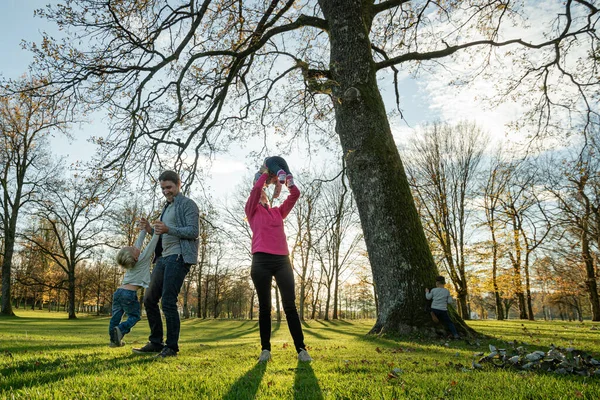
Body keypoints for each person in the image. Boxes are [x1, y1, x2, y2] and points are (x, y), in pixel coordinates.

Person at [245, 157, 312, 363]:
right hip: (261, 262)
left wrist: (288, 183)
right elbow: (256, 190)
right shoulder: (252, 211)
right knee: (265, 307)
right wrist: (266, 173)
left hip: (283, 261)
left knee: (289, 305)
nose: (263, 194)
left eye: (265, 193)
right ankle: (265, 349)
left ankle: (301, 349)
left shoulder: (277, 212)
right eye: (261, 192)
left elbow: (296, 195)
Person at [133, 170, 200, 358]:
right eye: (162, 188)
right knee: (149, 299)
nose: (166, 191)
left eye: (169, 187)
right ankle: (156, 342)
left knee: (168, 301)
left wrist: (168, 228)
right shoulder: (166, 207)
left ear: (179, 184)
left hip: (178, 257)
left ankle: (171, 347)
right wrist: (149, 229)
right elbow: (161, 233)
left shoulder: (188, 204)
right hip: (162, 258)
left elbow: (193, 231)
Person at [109, 224, 159, 347]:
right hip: (129, 295)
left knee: (116, 317)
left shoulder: (132, 261)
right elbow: (152, 245)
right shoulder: (142, 260)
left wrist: (143, 230)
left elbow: (138, 242)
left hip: (119, 293)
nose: (134, 246)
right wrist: (157, 231)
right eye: (132, 248)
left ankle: (113, 341)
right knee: (135, 316)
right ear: (135, 257)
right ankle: (121, 329)